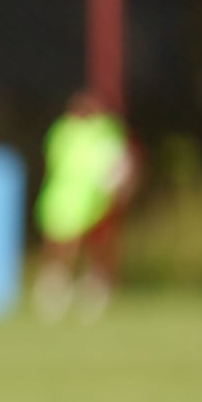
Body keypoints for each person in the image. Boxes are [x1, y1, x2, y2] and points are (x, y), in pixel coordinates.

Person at [33, 89, 137, 321]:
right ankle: (56, 289)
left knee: (98, 246)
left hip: (95, 199)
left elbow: (120, 165)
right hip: (65, 196)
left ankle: (95, 288)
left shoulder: (106, 132)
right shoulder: (64, 131)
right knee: (61, 245)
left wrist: (117, 188)